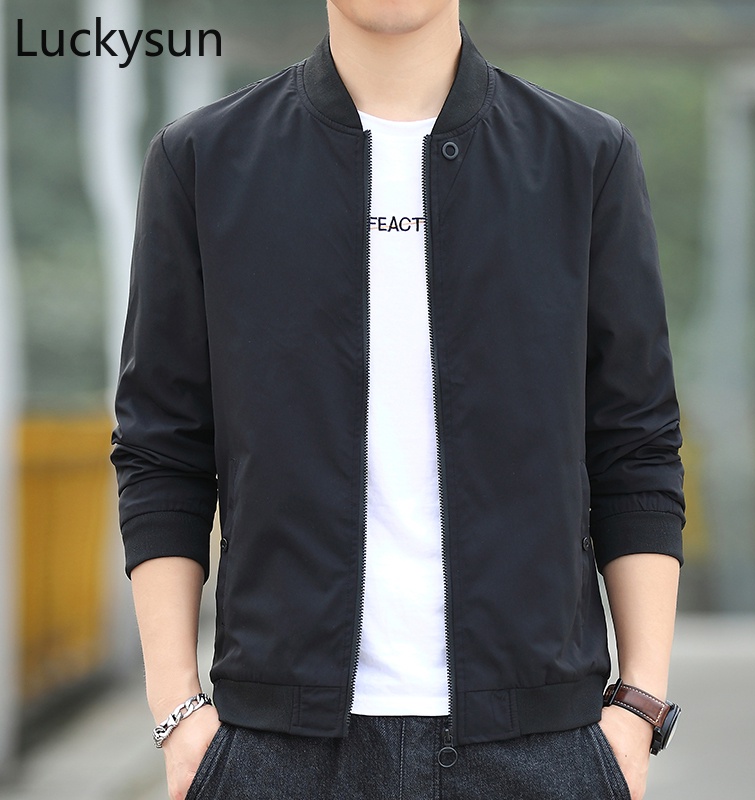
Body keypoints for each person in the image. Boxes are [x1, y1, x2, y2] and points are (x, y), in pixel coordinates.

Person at [111, 2, 685, 799]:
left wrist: (638, 705)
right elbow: (161, 449)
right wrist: (178, 712)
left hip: (542, 749)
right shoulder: (204, 160)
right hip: (276, 752)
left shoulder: (584, 158)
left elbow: (636, 444)